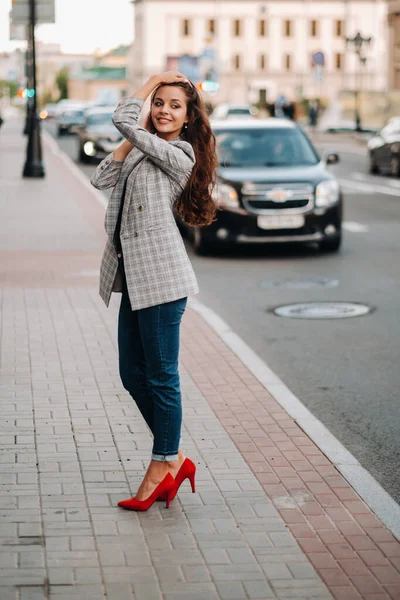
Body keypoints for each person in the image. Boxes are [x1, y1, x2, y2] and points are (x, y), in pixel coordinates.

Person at [90, 71, 217, 511]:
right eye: (158, 101)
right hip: (135, 280)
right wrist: (134, 136)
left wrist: (144, 89)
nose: (163, 110)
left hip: (162, 281)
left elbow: (122, 120)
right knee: (131, 374)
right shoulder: (146, 149)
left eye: (174, 105)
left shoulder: (179, 154)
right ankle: (175, 457)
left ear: (187, 118)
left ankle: (162, 462)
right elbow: (101, 178)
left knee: (162, 377)